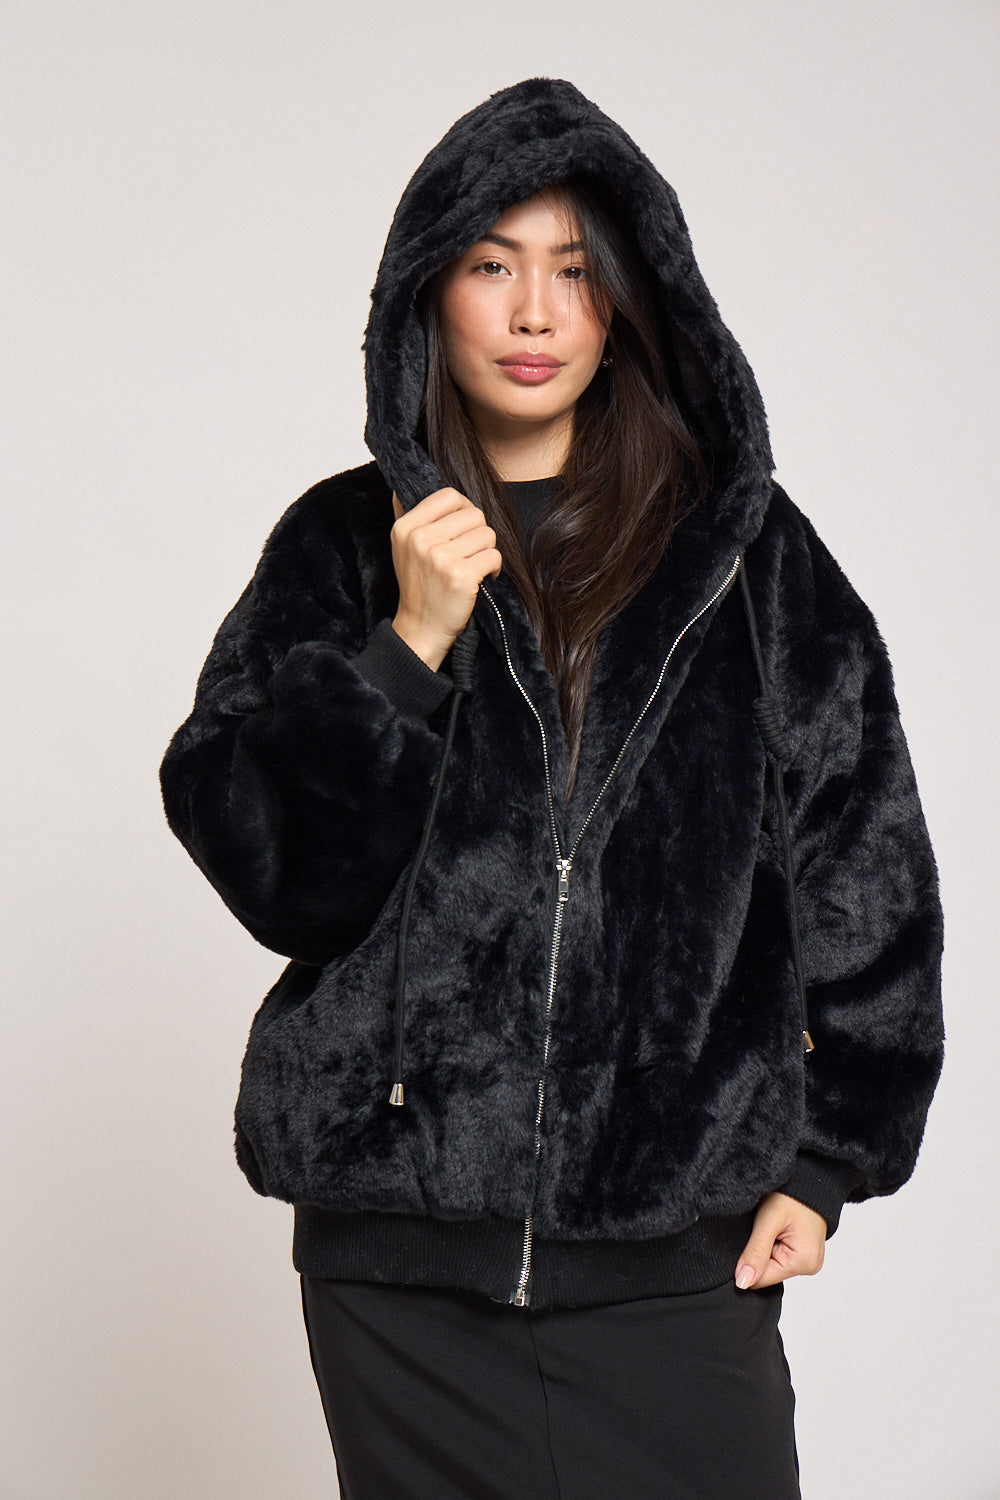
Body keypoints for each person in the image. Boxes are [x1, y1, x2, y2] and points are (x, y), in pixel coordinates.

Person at [159, 77, 945, 1500]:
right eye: (492, 266)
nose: (534, 314)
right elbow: (278, 882)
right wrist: (405, 651)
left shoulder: (741, 555)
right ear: (427, 293)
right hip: (400, 1268)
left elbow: (868, 860)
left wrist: (832, 1157)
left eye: (575, 272)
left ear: (629, 302)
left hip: (674, 1250)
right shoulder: (342, 544)